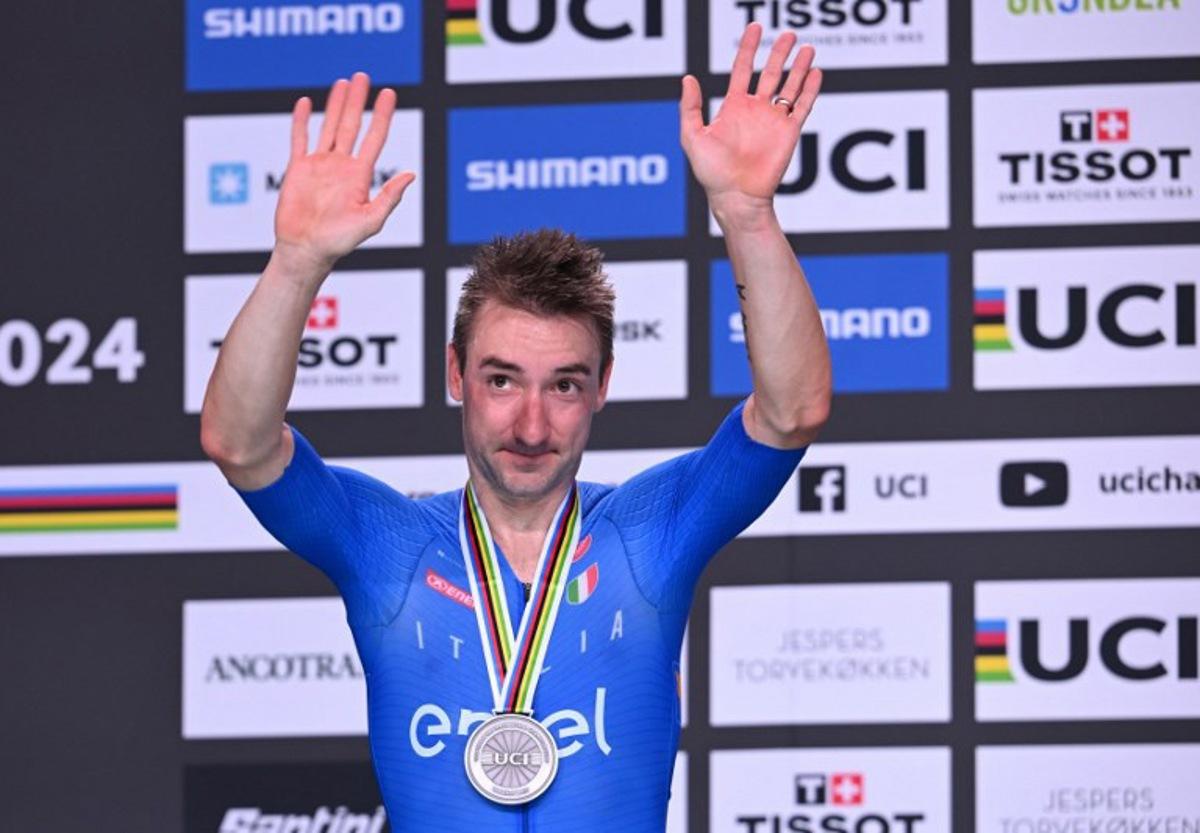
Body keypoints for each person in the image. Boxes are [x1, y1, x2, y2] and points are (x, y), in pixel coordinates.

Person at [200, 22, 830, 832]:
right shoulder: (388, 544)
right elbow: (239, 442)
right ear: (456, 374)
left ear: (603, 385)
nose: (531, 421)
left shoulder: (650, 532)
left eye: (563, 384)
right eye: (502, 380)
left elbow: (792, 411)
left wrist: (746, 213)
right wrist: (295, 262)